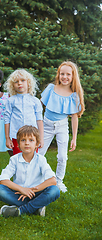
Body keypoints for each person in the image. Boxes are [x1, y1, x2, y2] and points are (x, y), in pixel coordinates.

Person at [39, 61, 85, 193]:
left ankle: (58, 181)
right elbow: (38, 107)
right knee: (40, 153)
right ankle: (39, 178)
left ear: (73, 76)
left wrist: (74, 138)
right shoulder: (51, 89)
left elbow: (75, 117)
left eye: (68, 74)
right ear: (58, 75)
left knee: (62, 157)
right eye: (62, 74)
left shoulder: (74, 95)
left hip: (62, 127)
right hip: (46, 125)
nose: (65, 77)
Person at [0, 125, 60, 217]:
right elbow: (2, 179)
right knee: (0, 190)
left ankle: (20, 210)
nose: (27, 143)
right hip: (19, 193)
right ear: (18, 144)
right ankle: (36, 207)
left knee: (54, 190)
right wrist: (22, 189)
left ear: (37, 144)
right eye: (23, 140)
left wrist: (32, 190)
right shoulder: (14, 159)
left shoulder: (41, 160)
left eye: (31, 140)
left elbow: (52, 180)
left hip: (37, 193)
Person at [4, 69, 44, 155]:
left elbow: (39, 120)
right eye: (16, 81)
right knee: (18, 160)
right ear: (12, 85)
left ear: (28, 83)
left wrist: (41, 138)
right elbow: (7, 120)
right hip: (16, 136)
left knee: (33, 160)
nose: (19, 83)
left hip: (33, 136)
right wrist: (7, 138)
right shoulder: (10, 101)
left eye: (23, 80)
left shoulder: (35, 101)